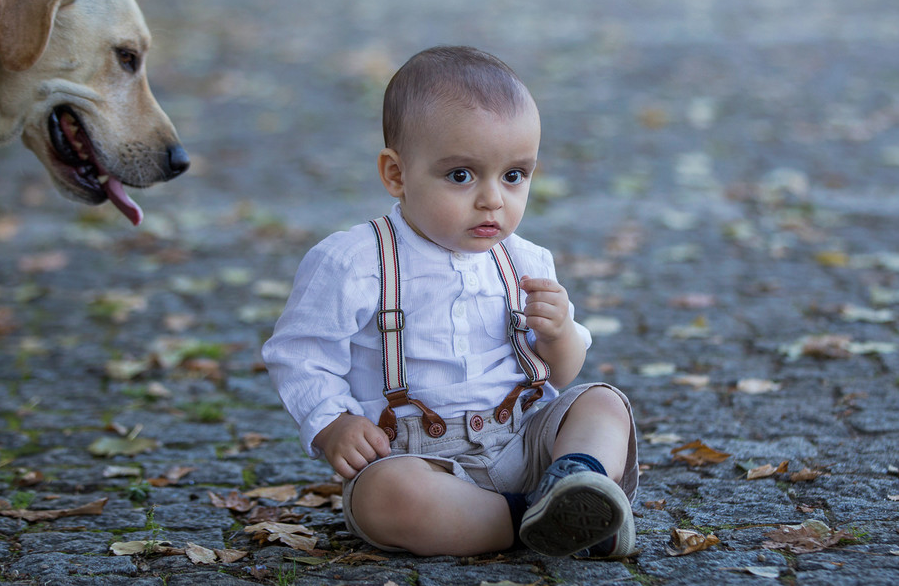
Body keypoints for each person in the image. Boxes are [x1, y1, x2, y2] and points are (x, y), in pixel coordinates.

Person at [262, 46, 638, 558]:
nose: (492, 200)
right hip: (422, 462)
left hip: (524, 440)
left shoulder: (525, 261)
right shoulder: (355, 261)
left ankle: (572, 483)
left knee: (602, 403)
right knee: (387, 499)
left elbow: (560, 375)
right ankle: (533, 522)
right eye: (461, 175)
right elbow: (300, 353)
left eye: (514, 175)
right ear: (396, 175)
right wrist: (332, 423)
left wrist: (559, 335)